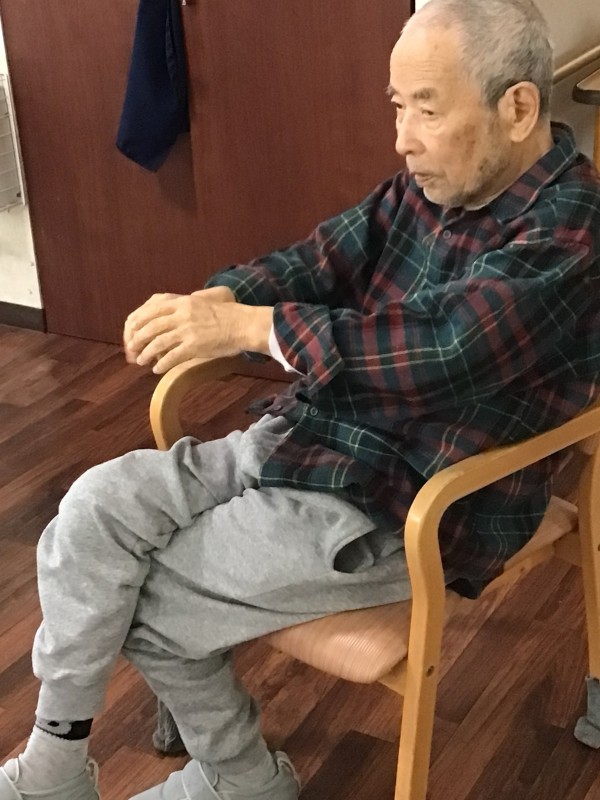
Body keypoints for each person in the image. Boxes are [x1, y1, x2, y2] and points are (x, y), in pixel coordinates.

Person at [2, 0, 600, 798]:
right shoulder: (427, 187)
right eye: (397, 107)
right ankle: (53, 768)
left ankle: (244, 782)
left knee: (146, 601)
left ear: (518, 108)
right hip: (308, 437)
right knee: (92, 512)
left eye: (427, 109)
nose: (403, 137)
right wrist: (218, 301)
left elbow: (441, 349)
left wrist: (254, 328)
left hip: (405, 500)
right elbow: (318, 260)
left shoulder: (569, 229)